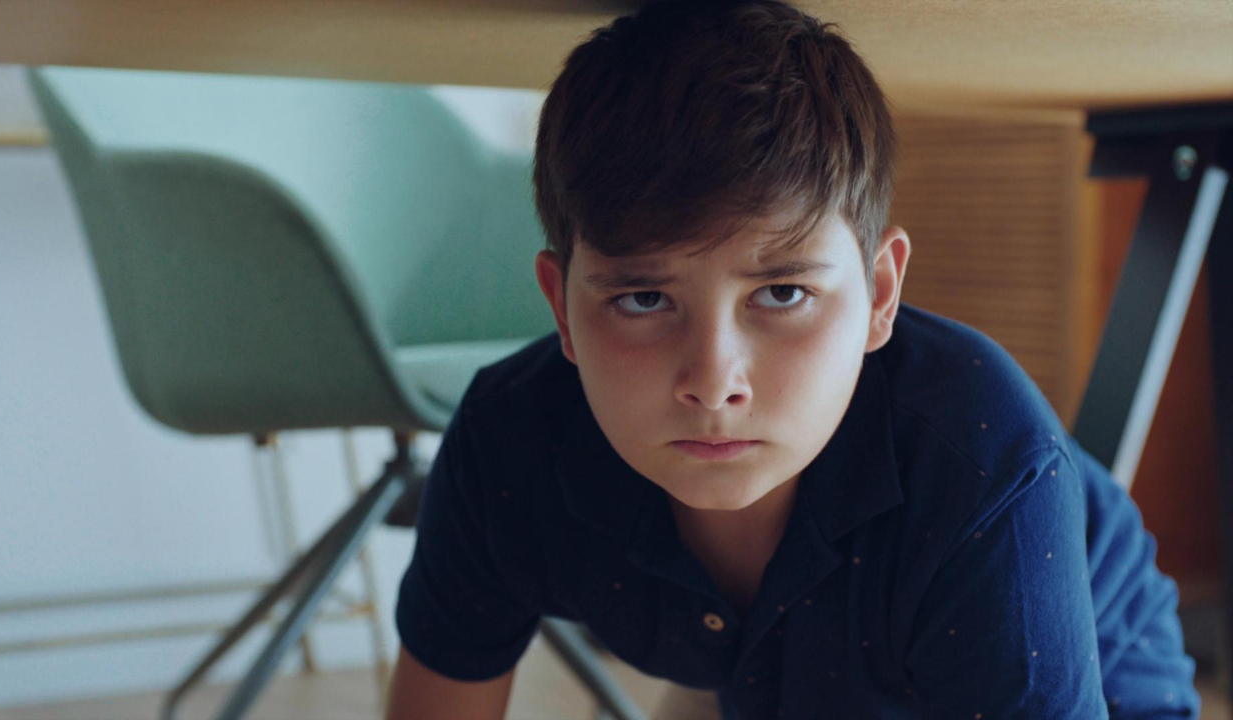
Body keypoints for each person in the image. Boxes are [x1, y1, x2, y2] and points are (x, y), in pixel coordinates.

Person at [384, 1, 1202, 717]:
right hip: (757, 683)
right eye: (643, 300)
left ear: (879, 294)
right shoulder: (507, 445)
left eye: (782, 294)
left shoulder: (981, 462)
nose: (713, 383)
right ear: (561, 306)